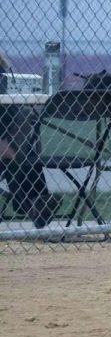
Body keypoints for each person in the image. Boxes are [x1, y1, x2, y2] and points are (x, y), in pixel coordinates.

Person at [0, 52, 61, 229]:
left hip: (8, 144)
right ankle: (34, 203)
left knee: (22, 158)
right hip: (4, 144)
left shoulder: (5, 74)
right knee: (18, 160)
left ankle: (36, 203)